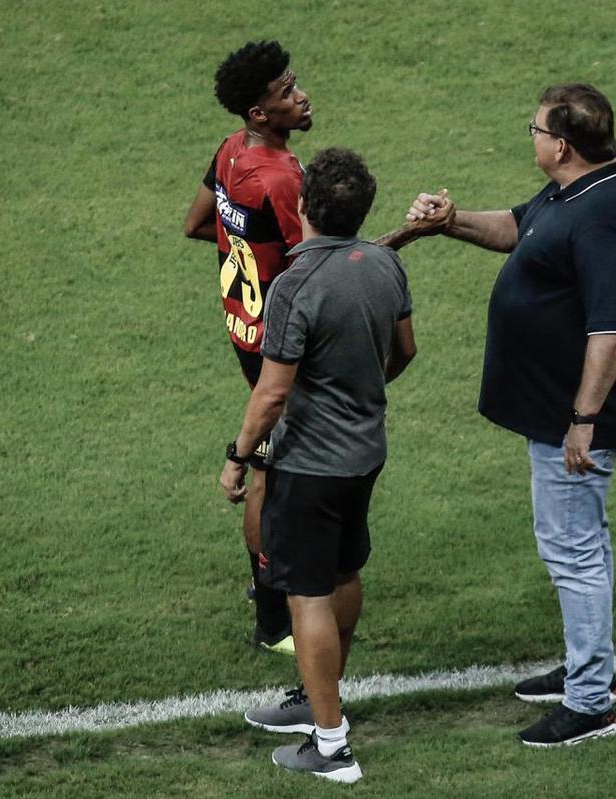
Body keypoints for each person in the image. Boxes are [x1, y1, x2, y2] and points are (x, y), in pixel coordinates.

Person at [381, 83, 616, 748]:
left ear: (561, 145)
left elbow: (613, 329)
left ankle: (590, 700)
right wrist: (448, 222)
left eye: (534, 128)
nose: (529, 135)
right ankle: (590, 667)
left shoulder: (604, 216)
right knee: (583, 539)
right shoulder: (582, 187)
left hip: (574, 416)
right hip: (555, 407)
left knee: (573, 550)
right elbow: (520, 227)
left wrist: (583, 418)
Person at [220, 147, 416, 783]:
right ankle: (318, 696)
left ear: (303, 208)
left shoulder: (294, 285)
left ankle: (331, 746)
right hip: (364, 453)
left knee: (306, 591)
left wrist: (238, 458)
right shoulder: (384, 263)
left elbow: (272, 392)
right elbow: (405, 349)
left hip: (309, 465)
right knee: (343, 572)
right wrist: (357, 390)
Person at [183, 41, 314, 654]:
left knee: (273, 463)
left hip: (243, 327)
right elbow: (321, 264)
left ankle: (264, 585)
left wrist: (244, 246)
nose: (300, 95)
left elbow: (196, 224)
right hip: (277, 345)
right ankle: (271, 617)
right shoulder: (284, 178)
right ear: (260, 114)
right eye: (286, 93)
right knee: (268, 469)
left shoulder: (231, 149)